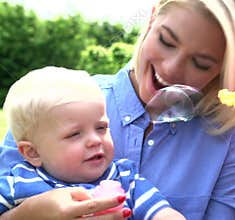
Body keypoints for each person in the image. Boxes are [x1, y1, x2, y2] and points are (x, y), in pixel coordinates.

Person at [0, 0, 235, 219]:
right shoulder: (53, 104)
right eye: (166, 41)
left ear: (223, 71)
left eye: (201, 63)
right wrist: (29, 214)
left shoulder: (228, 134)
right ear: (151, 19)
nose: (172, 68)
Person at [0, 66, 186, 220]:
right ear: (33, 152)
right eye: (74, 134)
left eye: (101, 128)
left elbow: (159, 210)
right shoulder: (19, 181)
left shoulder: (124, 177)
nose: (95, 140)